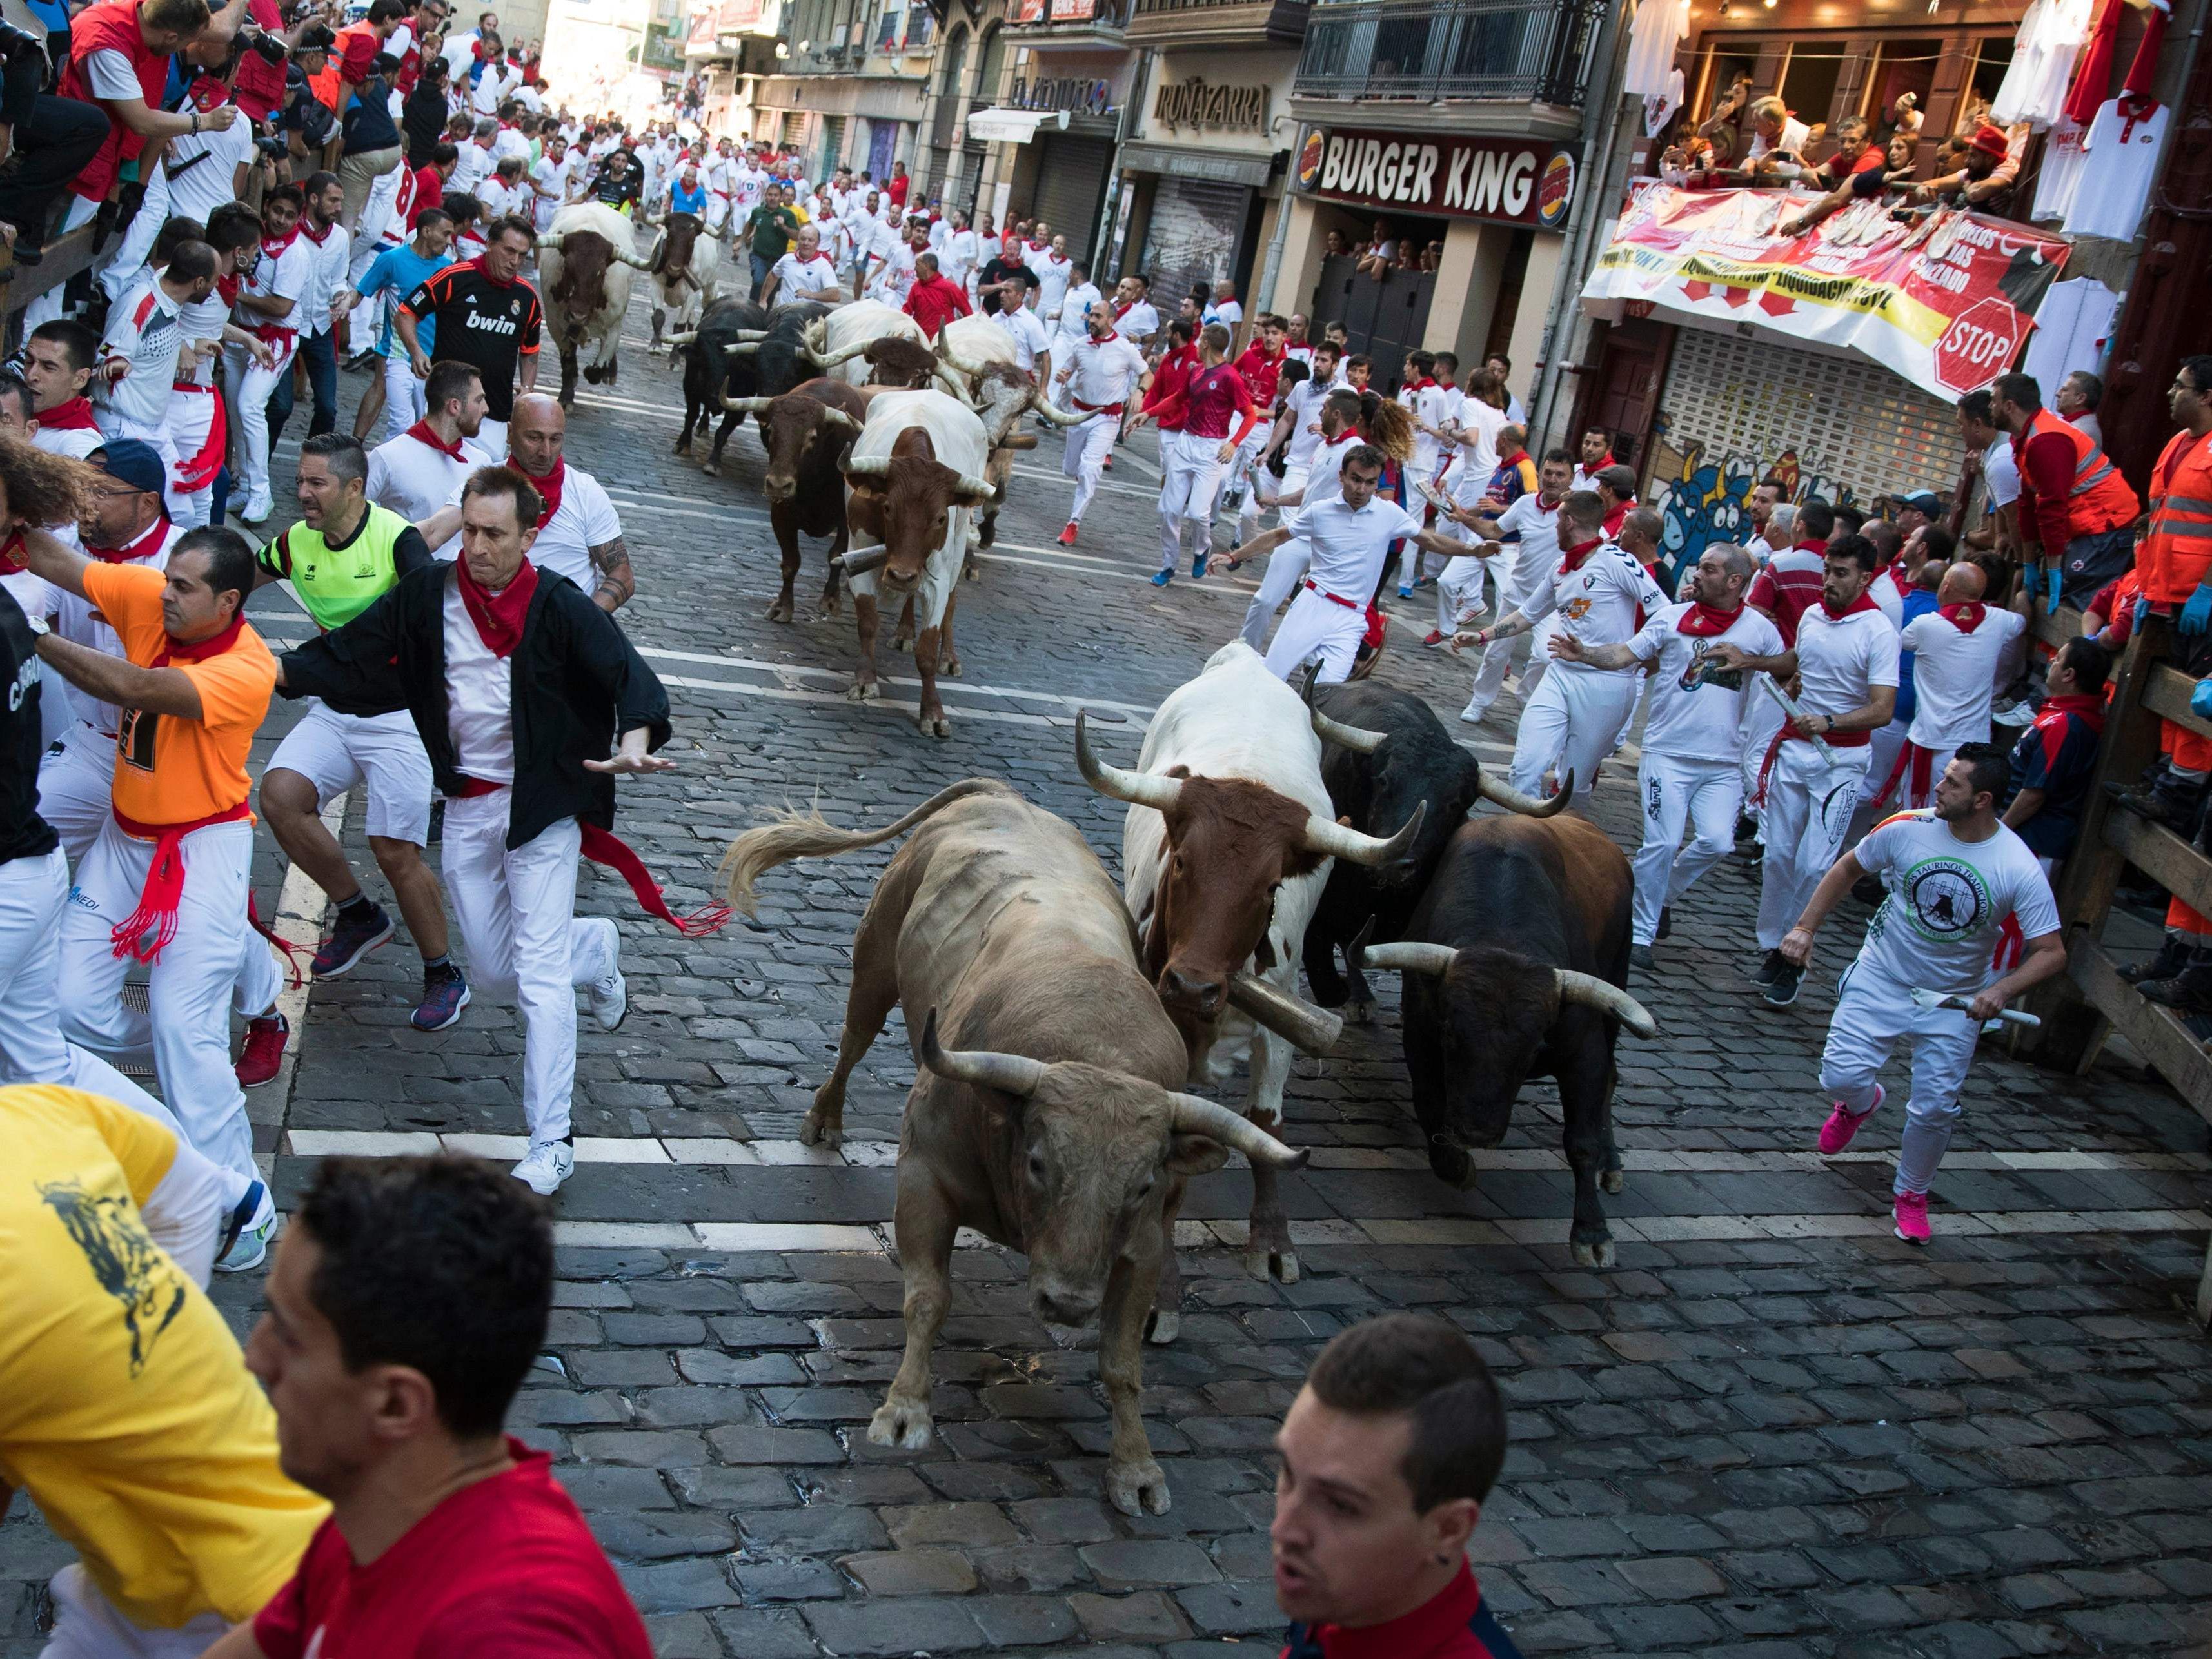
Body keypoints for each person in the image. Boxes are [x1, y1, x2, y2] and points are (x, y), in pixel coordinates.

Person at [268, 467, 691, 1195]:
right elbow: (354, 651)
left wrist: (635, 738)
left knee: (537, 981)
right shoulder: (429, 596)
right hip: (466, 805)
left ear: (530, 537)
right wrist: (266, 671)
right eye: (468, 529)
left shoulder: (558, 605)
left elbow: (629, 675)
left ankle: (550, 1141)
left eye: (495, 533)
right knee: (497, 972)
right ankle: (595, 946)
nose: (478, 545)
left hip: (543, 804)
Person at [208, 1155, 653, 1655]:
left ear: (397, 1404)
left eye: (288, 1335)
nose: (255, 1358)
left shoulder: (507, 1634)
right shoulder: (371, 1521)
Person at [15, 516, 288, 1263]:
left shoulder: (248, 667)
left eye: (184, 587)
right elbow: (59, 560)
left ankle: (240, 1206)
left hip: (203, 846)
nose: (163, 595)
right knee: (72, 1007)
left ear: (228, 601)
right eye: (166, 579)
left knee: (183, 1029)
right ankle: (189, 1034)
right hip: (123, 838)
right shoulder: (151, 594)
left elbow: (134, 685)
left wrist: (24, 631)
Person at [1, 1084, 327, 1655]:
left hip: (242, 1609)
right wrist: (151, 1334)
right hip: (137, 1587)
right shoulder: (38, 1111)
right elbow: (192, 1190)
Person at [1785, 747, 2066, 1243]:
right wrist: (1806, 928)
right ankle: (1859, 1103)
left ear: (1982, 800)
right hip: (1881, 975)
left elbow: (2051, 951)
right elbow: (1848, 868)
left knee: (1935, 1108)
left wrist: (2000, 989)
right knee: (1840, 1074)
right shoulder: (1907, 825)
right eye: (1944, 777)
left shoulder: (2017, 865)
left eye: (1953, 783)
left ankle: (1911, 1194)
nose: (1939, 787)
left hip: (1954, 1002)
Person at [253, 435, 465, 1032]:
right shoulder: (295, 543)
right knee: (281, 797)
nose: (302, 495)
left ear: (354, 488)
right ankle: (358, 914)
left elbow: (421, 613)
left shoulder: (395, 540)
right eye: (299, 482)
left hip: (400, 717)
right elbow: (234, 577)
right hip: (336, 709)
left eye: (316, 484)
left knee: (394, 849)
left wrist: (303, 666)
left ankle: (444, 973)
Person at [1554, 542, 1784, 970]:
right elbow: (1626, 653)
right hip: (1668, 755)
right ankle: (1638, 934)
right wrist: (1584, 652)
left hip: (1724, 762)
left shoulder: (1758, 629)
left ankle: (1661, 895)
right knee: (1663, 840)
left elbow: (1783, 668)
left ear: (1735, 581)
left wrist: (1752, 660)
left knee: (1717, 841)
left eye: (1709, 569)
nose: (1696, 574)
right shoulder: (1671, 618)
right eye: (1699, 565)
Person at [1702, 536, 1901, 1008]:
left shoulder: (1878, 630)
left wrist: (1830, 722)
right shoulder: (1812, 615)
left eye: (1841, 573)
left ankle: (1797, 952)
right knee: (1777, 857)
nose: (1829, 581)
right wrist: (1750, 661)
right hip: (1795, 752)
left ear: (1866, 578)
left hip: (1841, 763)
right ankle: (1774, 945)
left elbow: (1882, 710)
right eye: (1828, 570)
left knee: (1815, 863)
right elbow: (1797, 661)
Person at [1270, 1312, 1520, 1658]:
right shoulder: (1346, 1603)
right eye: (1288, 1473)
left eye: (1340, 1505)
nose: (1283, 1530)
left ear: (1448, 1529)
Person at [1452, 493, 1667, 810]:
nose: (1555, 530)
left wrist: (1633, 652)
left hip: (1606, 686)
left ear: (1568, 522)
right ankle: (1522, 841)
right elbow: (1528, 614)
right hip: (1560, 676)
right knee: (1524, 767)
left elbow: (1663, 612)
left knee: (1573, 785)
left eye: (1557, 522)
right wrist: (1482, 635)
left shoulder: (1616, 560)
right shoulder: (1559, 568)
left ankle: (1562, 842)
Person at [1234, 445, 1468, 684]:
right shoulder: (1321, 511)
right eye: (1356, 480)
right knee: (1271, 678)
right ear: (1342, 476)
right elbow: (1279, 536)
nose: (1361, 489)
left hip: (1352, 618)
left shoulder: (1390, 513)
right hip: (1313, 605)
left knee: (1326, 693)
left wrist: (1472, 550)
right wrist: (1235, 557)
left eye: (1370, 482)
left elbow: (1429, 539)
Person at [1868, 561, 2028, 812]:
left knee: (1919, 814)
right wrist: (2021, 592)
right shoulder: (2000, 621)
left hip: (1931, 743)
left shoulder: (1925, 626)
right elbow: (2022, 621)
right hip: (1976, 747)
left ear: (1946, 586)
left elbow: (1900, 642)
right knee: (1956, 815)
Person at [1989, 371, 2138, 614]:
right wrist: (2027, 563)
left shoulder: (2046, 440)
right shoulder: (2027, 438)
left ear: (2009, 406)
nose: (1989, 407)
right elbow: (2027, 505)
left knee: (2075, 601)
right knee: (2053, 595)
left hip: (2107, 524)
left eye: (1993, 401)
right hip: (2091, 524)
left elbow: (2051, 508)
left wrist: (2053, 568)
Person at [395, 213, 542, 460]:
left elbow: (530, 350)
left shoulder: (527, 297)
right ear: (490, 244)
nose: (515, 261)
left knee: (483, 485)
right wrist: (416, 351)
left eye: (522, 255)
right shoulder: (455, 277)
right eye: (509, 251)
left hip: (494, 412)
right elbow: (406, 313)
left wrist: (527, 388)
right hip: (447, 406)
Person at [1452, 447, 1573, 723]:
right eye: (1549, 473)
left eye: (1560, 475)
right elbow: (1496, 530)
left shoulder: (1575, 511)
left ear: (1570, 478)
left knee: (1544, 656)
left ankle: (1526, 698)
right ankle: (1479, 702)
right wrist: (1465, 518)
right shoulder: (1525, 504)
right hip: (1517, 593)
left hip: (1554, 601)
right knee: (1496, 653)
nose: (1553, 479)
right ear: (1541, 473)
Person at [94, 239, 219, 498]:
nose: (215, 287)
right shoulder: (138, 304)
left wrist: (193, 344)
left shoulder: (169, 292)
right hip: (123, 427)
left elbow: (154, 343)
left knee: (182, 511)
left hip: (154, 428)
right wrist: (115, 362)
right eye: (213, 281)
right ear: (197, 282)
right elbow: (105, 352)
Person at [228, 184, 315, 527]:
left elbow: (282, 307)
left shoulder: (296, 254)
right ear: (266, 207)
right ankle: (245, 484)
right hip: (239, 335)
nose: (281, 220)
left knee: (250, 405)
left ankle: (262, 492)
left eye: (290, 215)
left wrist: (237, 296)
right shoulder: (255, 239)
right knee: (237, 409)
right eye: (277, 211)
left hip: (275, 339)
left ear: (299, 217)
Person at [1143, 323, 1256, 587]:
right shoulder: (1196, 372)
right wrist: (1147, 414)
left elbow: (1250, 414)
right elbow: (1177, 398)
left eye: (1199, 339)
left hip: (1212, 449)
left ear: (1205, 344)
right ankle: (1168, 566)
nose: (1195, 344)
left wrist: (1234, 443)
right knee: (1170, 510)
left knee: (1197, 513)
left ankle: (1201, 549)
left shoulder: (1230, 376)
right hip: (1186, 443)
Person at [342, 205, 459, 447]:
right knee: (399, 421)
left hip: (432, 358)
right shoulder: (392, 261)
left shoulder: (447, 267)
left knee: (423, 421)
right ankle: (356, 444)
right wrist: (344, 303)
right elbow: (361, 291)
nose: (449, 241)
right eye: (445, 234)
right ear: (426, 231)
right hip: (396, 351)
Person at [1045, 300, 1148, 549]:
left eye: (1098, 316)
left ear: (1111, 320)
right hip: (1079, 414)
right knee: (1072, 469)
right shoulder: (1080, 345)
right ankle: (1083, 483)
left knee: (1089, 468)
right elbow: (1068, 369)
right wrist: (1062, 375)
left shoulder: (1125, 349)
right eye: (1091, 316)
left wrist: (1140, 392)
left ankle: (1073, 523)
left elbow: (1148, 373)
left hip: (1107, 418)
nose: (1092, 320)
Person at [2004, 636, 2110, 869]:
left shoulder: (2065, 724)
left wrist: (2000, 830)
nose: (2051, 660)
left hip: (2033, 844)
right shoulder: (2062, 714)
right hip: (2024, 838)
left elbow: (2035, 794)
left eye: (2058, 658)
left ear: (2068, 675)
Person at [267, 173, 351, 455]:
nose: (339, 207)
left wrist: (342, 296)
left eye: (340, 200)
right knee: (280, 406)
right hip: (286, 326)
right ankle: (258, 469)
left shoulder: (340, 237)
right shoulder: (291, 232)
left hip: (320, 328)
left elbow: (339, 279)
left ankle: (311, 467)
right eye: (333, 200)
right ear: (314, 199)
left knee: (328, 407)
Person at [25, 321, 112, 462]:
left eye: (49, 368)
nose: (31, 376)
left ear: (80, 379)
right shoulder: (16, 407)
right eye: (29, 361)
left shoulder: (79, 442)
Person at [759, 220, 844, 308]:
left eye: (810, 240)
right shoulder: (787, 259)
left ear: (818, 243)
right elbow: (773, 275)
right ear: (798, 240)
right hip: (783, 312)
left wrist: (811, 295)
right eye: (803, 239)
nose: (806, 243)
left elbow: (835, 295)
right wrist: (763, 300)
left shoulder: (823, 265)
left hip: (808, 316)